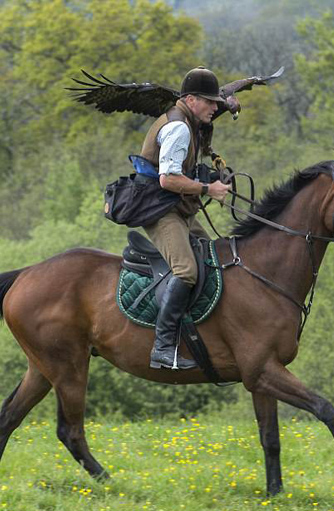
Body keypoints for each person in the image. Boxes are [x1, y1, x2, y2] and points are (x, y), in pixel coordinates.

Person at [140, 67, 230, 370]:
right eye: (210, 101)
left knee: (212, 257)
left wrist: (212, 174)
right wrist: (209, 188)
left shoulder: (188, 123)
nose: (215, 107)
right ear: (190, 100)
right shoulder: (179, 128)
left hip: (177, 208)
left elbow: (181, 172)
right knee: (187, 270)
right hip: (160, 210)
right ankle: (162, 347)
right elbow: (167, 180)